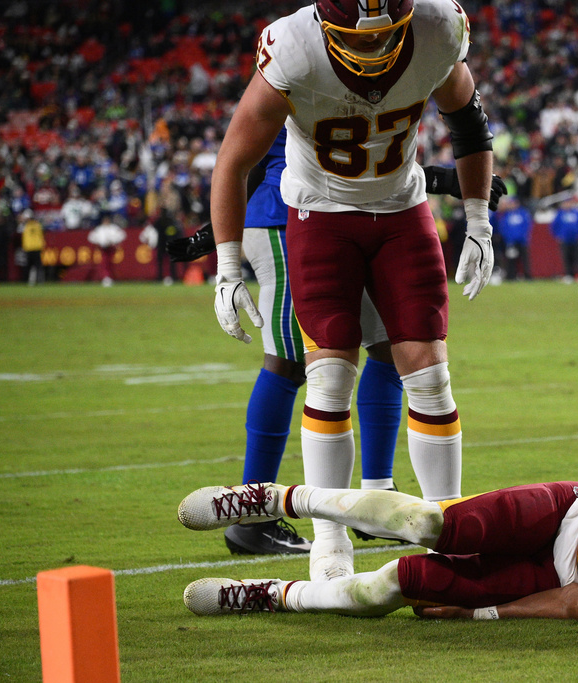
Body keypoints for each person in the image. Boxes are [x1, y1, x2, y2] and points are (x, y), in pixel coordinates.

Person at [208, 0, 495, 581]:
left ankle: (448, 536)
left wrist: (479, 219)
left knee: (431, 375)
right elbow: (234, 160)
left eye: (382, 35)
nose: (368, 48)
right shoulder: (292, 45)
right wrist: (228, 264)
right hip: (321, 214)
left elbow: (467, 123)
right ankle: (329, 542)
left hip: (401, 211)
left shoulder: (439, 27)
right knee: (328, 374)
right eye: (353, 37)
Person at [178, 369, 578, 634]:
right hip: (569, 509)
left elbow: (572, 600)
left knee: (400, 584)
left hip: (548, 571)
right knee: (431, 523)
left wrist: (480, 610)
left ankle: (271, 596)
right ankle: (276, 497)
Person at [169, 137, 504, 554]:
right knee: (292, 363)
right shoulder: (292, 73)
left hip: (364, 217)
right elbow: (247, 156)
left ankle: (378, 494)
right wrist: (219, 238)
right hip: (287, 216)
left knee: (387, 348)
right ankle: (253, 517)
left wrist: (437, 178)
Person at [551, 194, 578, 283]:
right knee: (566, 258)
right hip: (565, 239)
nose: (567, 204)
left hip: (577, 239)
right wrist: (558, 235)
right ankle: (569, 275)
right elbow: (554, 226)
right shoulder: (559, 214)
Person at [492, 194, 533, 280]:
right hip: (511, 242)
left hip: (522, 241)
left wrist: (523, 236)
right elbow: (503, 227)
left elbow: (527, 226)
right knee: (511, 259)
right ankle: (511, 276)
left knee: (524, 259)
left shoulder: (523, 213)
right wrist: (508, 239)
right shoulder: (506, 215)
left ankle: (527, 276)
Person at [19, 209, 45, 285]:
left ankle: (30, 281)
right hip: (35, 247)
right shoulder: (37, 225)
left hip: (31, 248)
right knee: (36, 266)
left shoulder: (25, 226)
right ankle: (38, 281)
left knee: (31, 266)